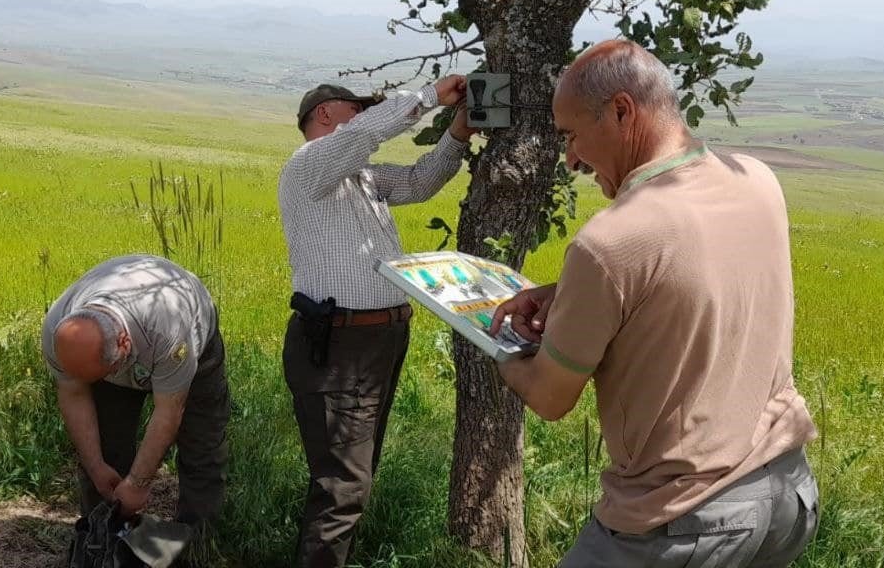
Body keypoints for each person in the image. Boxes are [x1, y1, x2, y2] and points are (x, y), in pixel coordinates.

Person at [490, 39, 820, 567]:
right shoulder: (758, 180)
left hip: (683, 522)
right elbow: (695, 274)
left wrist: (495, 342)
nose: (570, 158)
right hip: (786, 494)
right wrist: (568, 293)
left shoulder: (611, 242)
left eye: (572, 135)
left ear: (622, 111)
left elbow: (552, 398)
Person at [279, 76, 477, 567]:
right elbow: (362, 134)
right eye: (357, 107)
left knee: (352, 476)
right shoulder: (308, 166)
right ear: (325, 115)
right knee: (344, 485)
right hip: (340, 343)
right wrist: (430, 96)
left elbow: (420, 181)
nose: (366, 115)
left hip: (378, 339)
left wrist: (459, 130)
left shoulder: (362, 179)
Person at [41, 254, 229, 549]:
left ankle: (197, 546)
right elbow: (74, 395)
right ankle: (103, 542)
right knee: (106, 448)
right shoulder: (59, 331)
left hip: (188, 342)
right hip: (116, 350)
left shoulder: (169, 331)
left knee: (201, 450)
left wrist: (139, 483)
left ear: (124, 345)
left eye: (103, 374)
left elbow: (169, 411)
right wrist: (97, 466)